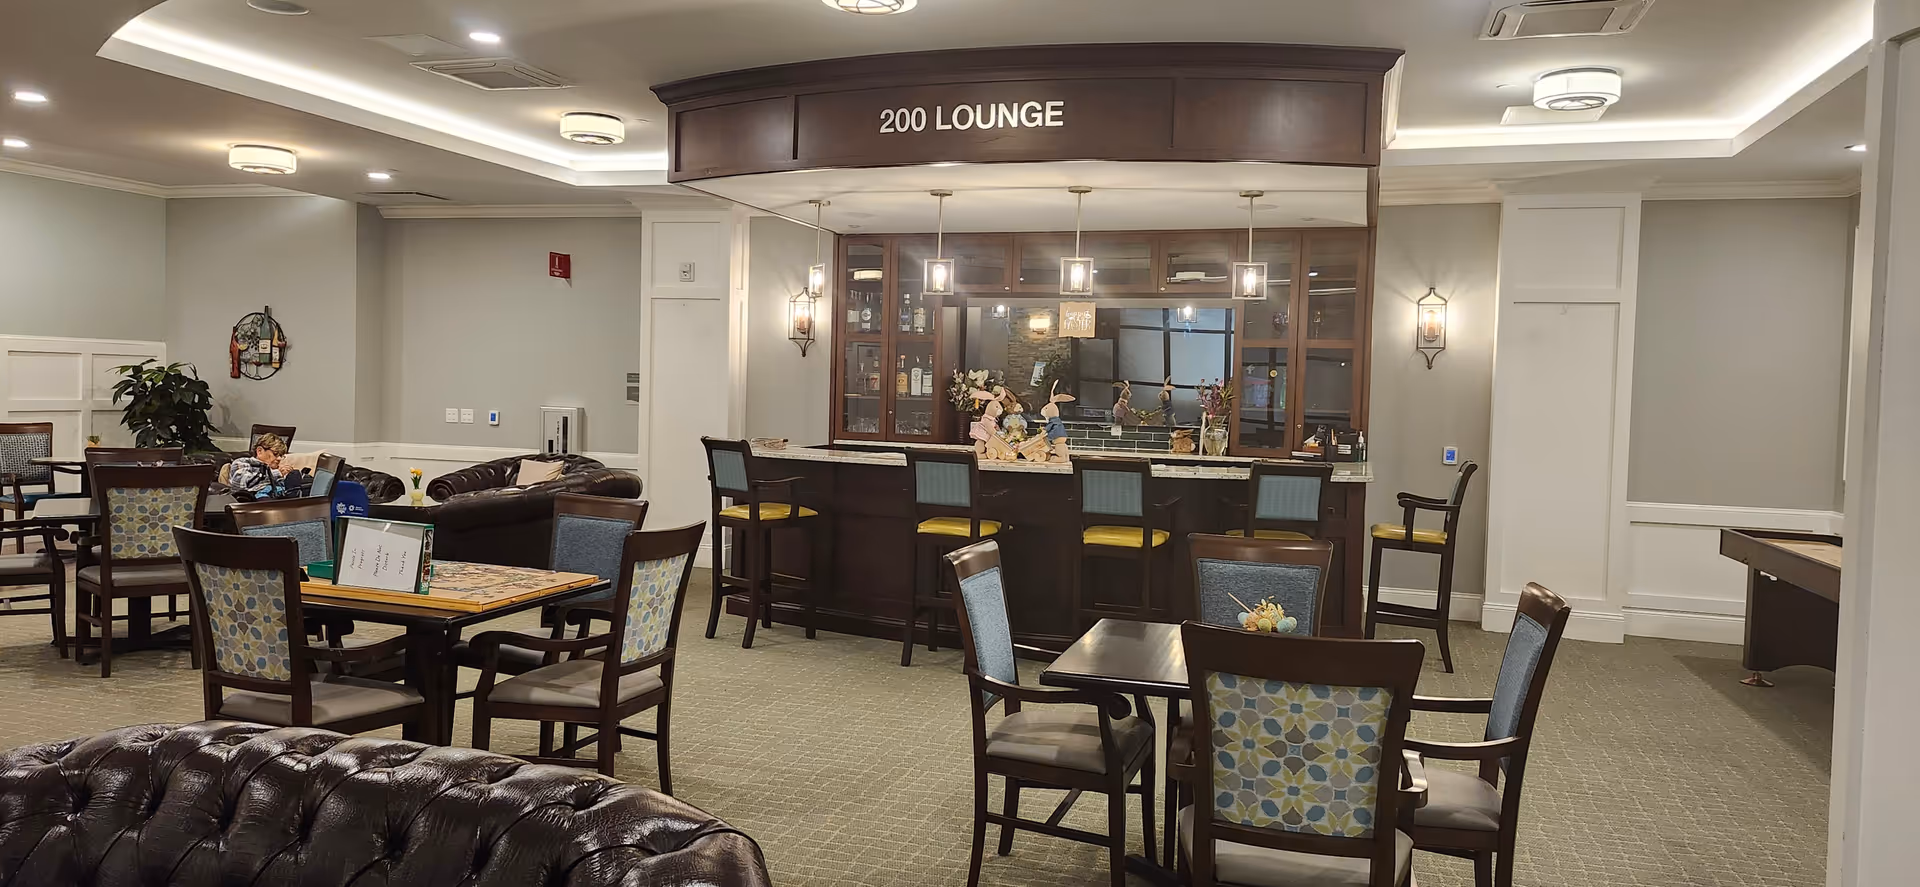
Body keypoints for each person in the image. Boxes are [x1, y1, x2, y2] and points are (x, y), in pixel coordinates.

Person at [228, 432, 295, 498]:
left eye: (281, 455)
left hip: (279, 499)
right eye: (275, 453)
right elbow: (241, 487)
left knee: (295, 475)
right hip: (255, 502)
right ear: (259, 451)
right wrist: (276, 474)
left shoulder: (275, 469)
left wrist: (286, 476)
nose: (279, 458)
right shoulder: (242, 463)